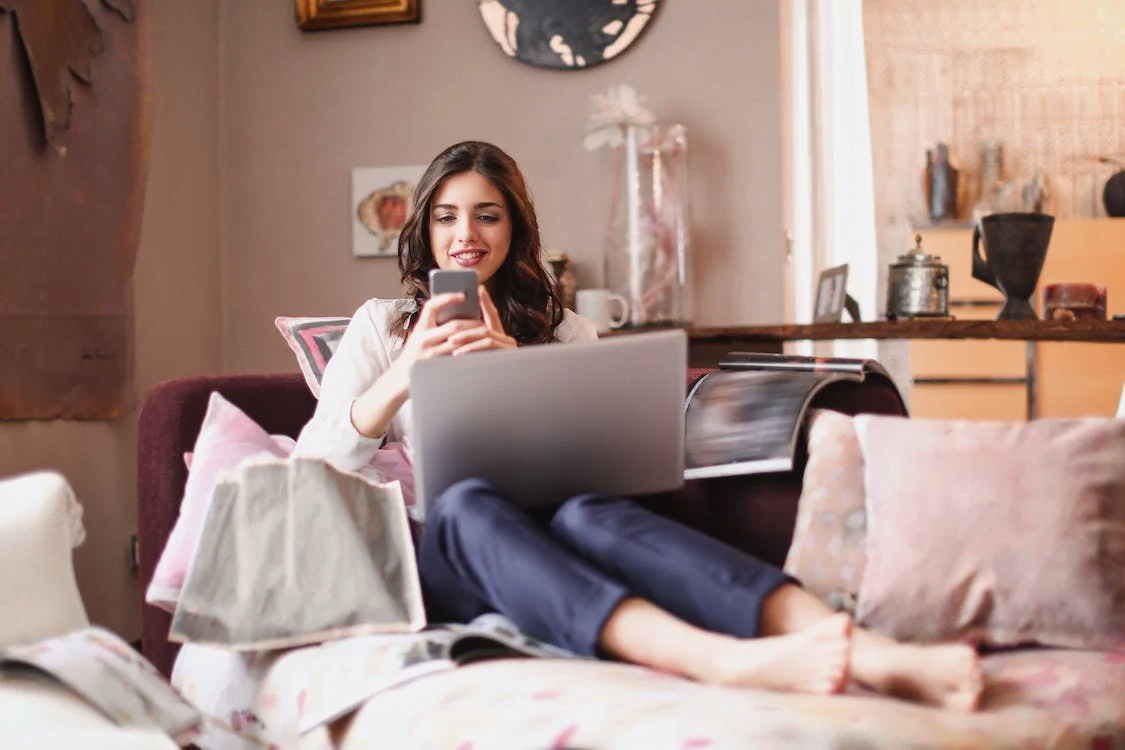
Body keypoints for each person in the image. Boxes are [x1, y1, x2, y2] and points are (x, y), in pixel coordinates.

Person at [294, 141, 984, 712]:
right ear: (424, 229)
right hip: (457, 550)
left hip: (558, 534)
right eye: (445, 217)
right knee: (466, 502)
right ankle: (723, 662)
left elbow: (604, 461)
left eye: (486, 215)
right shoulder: (381, 327)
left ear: (515, 227)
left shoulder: (566, 330)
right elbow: (315, 463)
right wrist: (405, 371)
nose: (465, 235)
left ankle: (872, 652)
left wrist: (520, 372)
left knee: (589, 514)